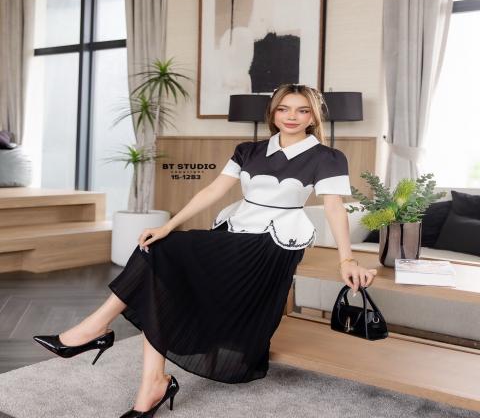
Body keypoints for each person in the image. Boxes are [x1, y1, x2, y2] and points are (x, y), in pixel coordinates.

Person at [33, 83, 377, 417]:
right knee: (158, 251)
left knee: (163, 260)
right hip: (234, 231)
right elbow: (212, 191)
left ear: (313, 117)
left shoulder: (327, 157)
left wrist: (346, 258)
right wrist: (168, 225)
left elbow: (334, 208)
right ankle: (150, 380)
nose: (291, 116)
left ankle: (97, 332)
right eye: (283, 109)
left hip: (274, 243)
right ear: (272, 113)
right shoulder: (248, 150)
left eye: (302, 111)